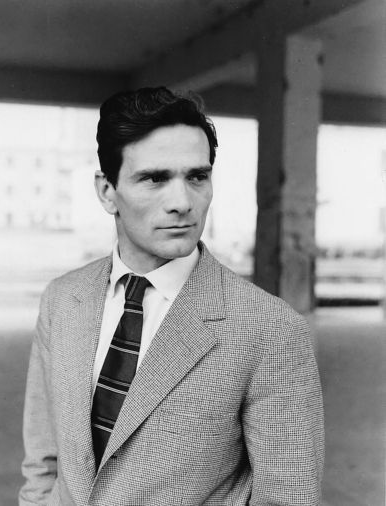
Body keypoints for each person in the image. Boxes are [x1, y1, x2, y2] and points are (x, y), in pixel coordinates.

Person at [19, 87, 324, 506]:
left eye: (197, 177)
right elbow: (43, 461)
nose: (182, 202)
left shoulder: (271, 329)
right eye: (155, 178)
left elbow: (289, 497)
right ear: (107, 191)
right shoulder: (63, 299)